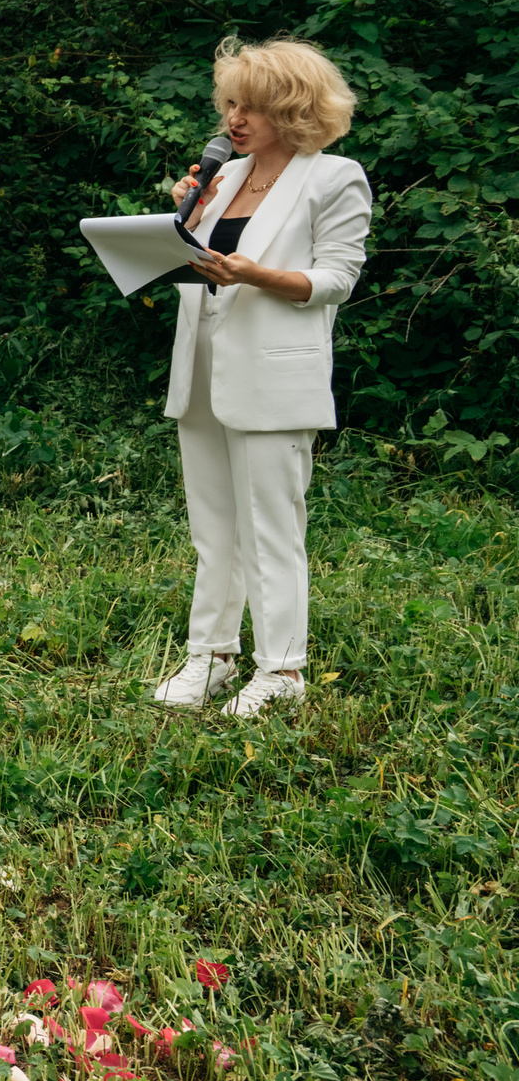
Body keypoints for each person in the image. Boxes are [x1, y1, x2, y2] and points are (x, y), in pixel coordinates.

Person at [152, 37, 371, 717]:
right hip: (205, 364)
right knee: (213, 525)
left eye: (252, 106)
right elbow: (191, 257)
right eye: (229, 104)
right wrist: (180, 216)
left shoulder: (334, 177)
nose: (234, 119)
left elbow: (337, 279)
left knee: (271, 526)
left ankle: (281, 670)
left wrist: (255, 273)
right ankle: (211, 659)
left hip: (275, 375)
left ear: (295, 107)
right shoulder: (222, 176)